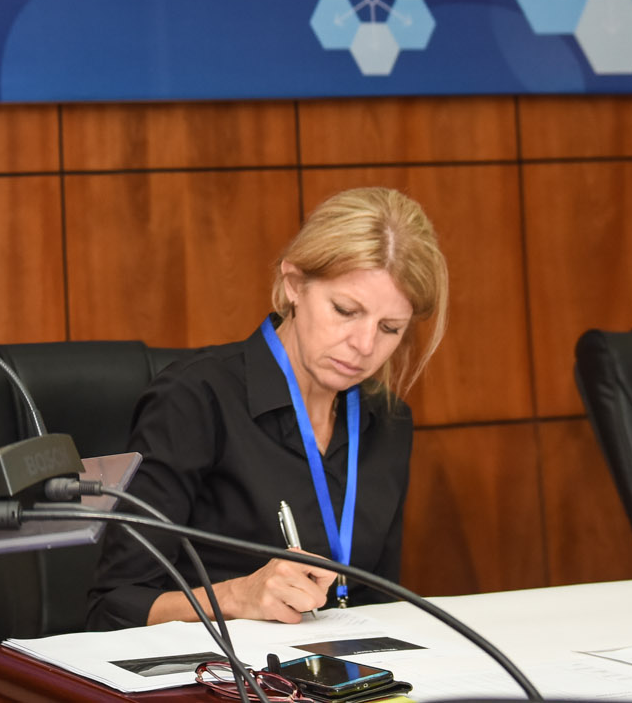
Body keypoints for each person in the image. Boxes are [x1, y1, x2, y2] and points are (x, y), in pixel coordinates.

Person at [86, 187, 449, 628]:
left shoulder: (388, 421)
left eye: (390, 328)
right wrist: (238, 597)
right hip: (218, 665)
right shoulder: (194, 398)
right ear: (294, 284)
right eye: (345, 310)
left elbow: (377, 601)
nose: (365, 345)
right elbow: (112, 607)